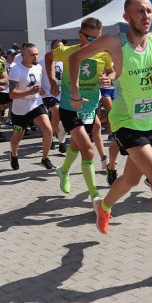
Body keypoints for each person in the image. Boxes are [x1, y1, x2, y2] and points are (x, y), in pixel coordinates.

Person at [68, 0, 152, 273]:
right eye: (139, 11)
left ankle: (103, 205)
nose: (146, 16)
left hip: (151, 123)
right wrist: (75, 92)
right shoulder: (114, 42)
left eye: (149, 11)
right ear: (127, 17)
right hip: (126, 123)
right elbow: (75, 56)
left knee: (130, 178)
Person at [46, 17, 115, 201]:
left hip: (90, 108)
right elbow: (48, 57)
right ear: (80, 35)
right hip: (70, 107)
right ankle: (95, 195)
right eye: (91, 38)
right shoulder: (67, 51)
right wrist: (52, 81)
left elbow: (111, 70)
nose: (95, 42)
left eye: (98, 38)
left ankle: (63, 170)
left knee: (76, 144)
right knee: (87, 148)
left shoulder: (103, 53)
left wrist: (109, 78)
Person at [8, 43, 54, 170]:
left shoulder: (38, 67)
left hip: (35, 104)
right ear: (23, 55)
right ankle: (14, 154)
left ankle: (45, 158)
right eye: (32, 54)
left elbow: (36, 87)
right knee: (18, 137)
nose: (35, 57)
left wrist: (40, 91)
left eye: (37, 54)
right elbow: (12, 94)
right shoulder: (16, 70)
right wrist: (30, 91)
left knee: (48, 130)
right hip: (20, 110)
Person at [41, 39, 66, 153]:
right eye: (56, 47)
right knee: (56, 112)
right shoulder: (43, 61)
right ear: (51, 49)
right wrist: (39, 88)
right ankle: (57, 141)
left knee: (58, 118)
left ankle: (55, 139)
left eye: (61, 47)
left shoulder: (67, 61)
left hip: (63, 94)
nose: (59, 50)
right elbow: (36, 74)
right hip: (48, 93)